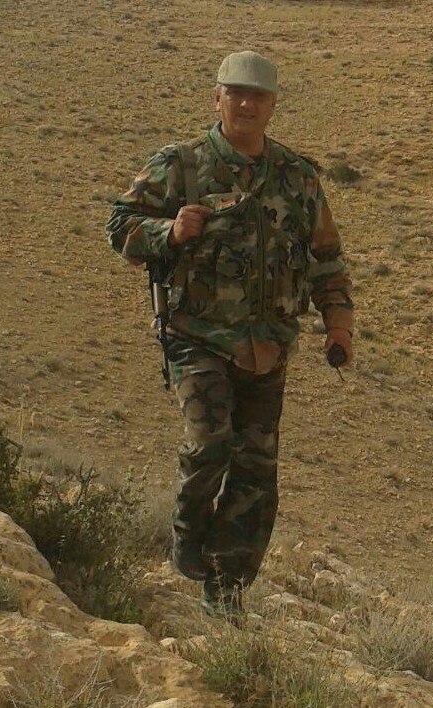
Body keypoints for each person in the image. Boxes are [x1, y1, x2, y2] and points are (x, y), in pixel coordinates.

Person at [105, 50, 353, 620]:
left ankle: (226, 593)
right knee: (211, 441)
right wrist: (168, 232)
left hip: (268, 347)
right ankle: (188, 544)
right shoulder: (182, 165)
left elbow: (326, 259)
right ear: (216, 97)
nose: (246, 104)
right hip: (197, 336)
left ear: (272, 104)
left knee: (256, 474)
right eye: (236, 93)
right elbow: (119, 226)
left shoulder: (297, 177)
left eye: (258, 95)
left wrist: (338, 325)